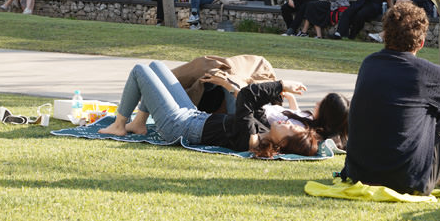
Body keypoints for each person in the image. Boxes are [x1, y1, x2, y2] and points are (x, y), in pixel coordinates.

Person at [341, 1, 440, 195]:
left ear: (385, 35)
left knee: (434, 108)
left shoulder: (369, 64)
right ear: (421, 42)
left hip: (360, 174)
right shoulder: (427, 74)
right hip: (408, 179)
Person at [98, 61, 348, 158]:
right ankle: (139, 123)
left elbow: (248, 96)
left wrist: (282, 84)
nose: (288, 122)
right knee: (156, 66)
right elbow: (255, 101)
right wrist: (280, 91)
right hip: (194, 116)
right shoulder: (262, 130)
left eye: (290, 129)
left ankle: (120, 125)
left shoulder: (250, 138)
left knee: (140, 71)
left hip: (178, 125)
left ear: (282, 144)